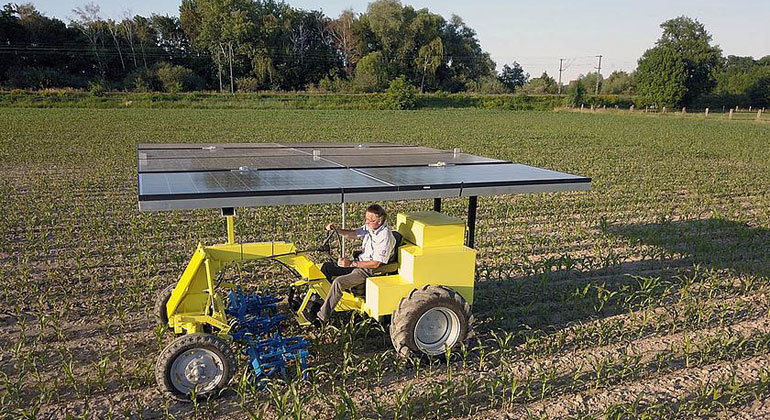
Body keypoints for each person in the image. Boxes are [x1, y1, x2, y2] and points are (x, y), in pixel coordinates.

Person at [311, 203, 395, 324]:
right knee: (326, 268)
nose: (366, 222)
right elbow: (353, 234)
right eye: (365, 219)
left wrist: (351, 264)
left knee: (339, 283)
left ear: (379, 221)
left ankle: (322, 318)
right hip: (359, 262)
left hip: (369, 270)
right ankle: (319, 301)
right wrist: (337, 230)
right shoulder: (371, 227)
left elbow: (376, 264)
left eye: (369, 220)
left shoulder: (385, 236)